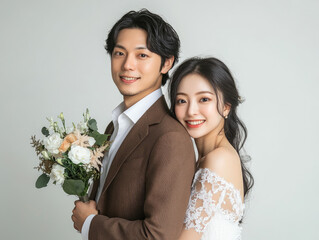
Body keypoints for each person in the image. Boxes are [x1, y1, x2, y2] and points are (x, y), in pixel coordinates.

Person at [71, 9, 196, 240]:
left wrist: (90, 224)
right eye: (119, 53)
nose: (127, 65)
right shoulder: (113, 126)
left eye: (142, 55)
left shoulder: (170, 137)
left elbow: (159, 235)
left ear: (166, 63)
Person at [169, 57, 254, 240]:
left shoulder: (219, 159)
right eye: (182, 101)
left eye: (204, 99)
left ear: (226, 107)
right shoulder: (203, 159)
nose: (191, 110)